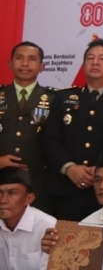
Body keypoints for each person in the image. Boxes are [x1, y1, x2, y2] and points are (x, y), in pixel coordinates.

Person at [43, 38, 103, 222]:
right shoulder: (63, 98)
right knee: (66, 238)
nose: (95, 62)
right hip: (65, 187)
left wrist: (101, 168)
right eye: (90, 58)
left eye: (102, 58)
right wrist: (69, 168)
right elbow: (50, 139)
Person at [0, 41, 56, 215]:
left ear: (42, 66)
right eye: (19, 58)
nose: (25, 63)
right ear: (10, 64)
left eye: (31, 59)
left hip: (38, 184)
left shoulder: (54, 99)